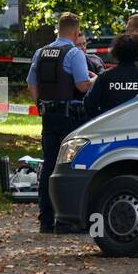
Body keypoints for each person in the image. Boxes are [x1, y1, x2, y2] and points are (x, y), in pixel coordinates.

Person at [26, 12, 93, 233]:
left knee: (48, 166)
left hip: (49, 117)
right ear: (75, 32)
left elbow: (31, 83)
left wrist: (41, 104)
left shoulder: (41, 52)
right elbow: (83, 86)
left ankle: (46, 220)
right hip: (69, 118)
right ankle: (67, 220)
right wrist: (97, 79)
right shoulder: (74, 53)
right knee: (69, 166)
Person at [82, 34, 138, 120]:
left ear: (116, 52)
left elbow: (89, 104)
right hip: (136, 126)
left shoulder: (105, 77)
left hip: (110, 126)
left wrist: (100, 119)